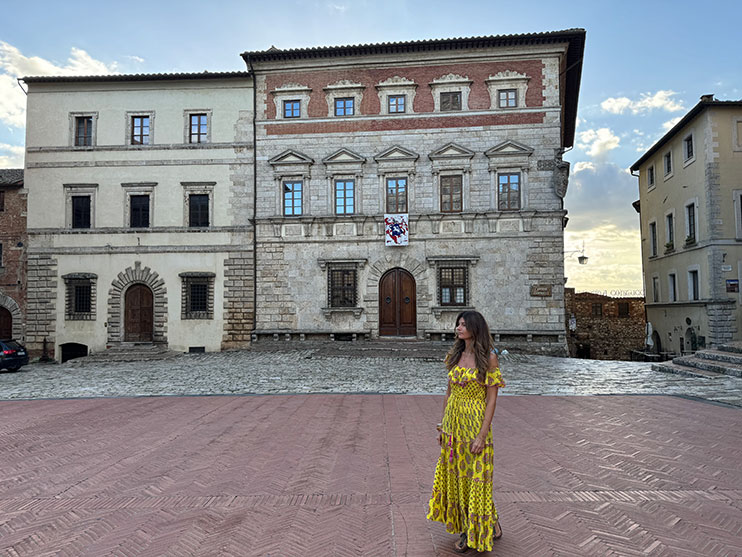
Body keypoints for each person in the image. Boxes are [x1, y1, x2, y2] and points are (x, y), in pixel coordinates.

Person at [426, 310, 505, 553]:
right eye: (457, 324)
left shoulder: (489, 359)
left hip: (474, 425)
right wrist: (443, 426)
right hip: (453, 425)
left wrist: (482, 435)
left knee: (476, 479)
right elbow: (449, 393)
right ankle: (489, 523)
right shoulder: (455, 355)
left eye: (463, 325)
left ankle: (470, 534)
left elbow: (491, 400)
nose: (458, 328)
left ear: (475, 328)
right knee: (457, 479)